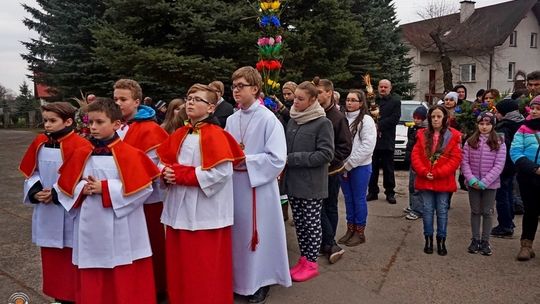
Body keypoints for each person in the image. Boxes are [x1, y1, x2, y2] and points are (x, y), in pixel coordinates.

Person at [53, 98, 160, 303]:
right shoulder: (81, 153)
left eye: (99, 122)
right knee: (92, 269)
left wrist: (105, 188)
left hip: (122, 224)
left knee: (123, 266)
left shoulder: (131, 154)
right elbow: (63, 186)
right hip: (89, 223)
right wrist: (81, 188)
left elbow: (144, 188)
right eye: (90, 122)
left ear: (117, 124)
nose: (93, 127)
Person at [157, 84, 244, 304]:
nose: (190, 102)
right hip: (178, 209)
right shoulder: (179, 133)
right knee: (179, 265)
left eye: (197, 99)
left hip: (206, 213)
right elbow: (162, 162)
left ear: (211, 108)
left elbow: (221, 173)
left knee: (203, 267)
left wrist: (180, 175)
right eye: (189, 98)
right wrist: (164, 172)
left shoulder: (218, 135)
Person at [224, 66, 291, 303]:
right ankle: (239, 281)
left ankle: (260, 281)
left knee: (258, 235)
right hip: (234, 186)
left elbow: (277, 158)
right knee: (237, 235)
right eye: (233, 86)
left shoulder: (268, 119)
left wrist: (246, 161)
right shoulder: (231, 120)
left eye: (241, 86)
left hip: (259, 188)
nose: (236, 90)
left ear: (255, 88)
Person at [19, 102, 91, 303]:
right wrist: (35, 191)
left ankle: (75, 296)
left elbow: (84, 177)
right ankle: (58, 295)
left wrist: (57, 193)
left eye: (53, 121)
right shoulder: (39, 142)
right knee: (51, 258)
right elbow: (31, 173)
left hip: (69, 211)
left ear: (68, 121)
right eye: (46, 120)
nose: (47, 125)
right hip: (46, 211)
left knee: (72, 258)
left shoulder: (81, 145)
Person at [114, 79, 169, 300]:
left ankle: (158, 287)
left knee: (151, 244)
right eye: (115, 98)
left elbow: (155, 167)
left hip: (147, 200)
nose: (118, 103)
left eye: (123, 99)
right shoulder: (115, 126)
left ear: (137, 101)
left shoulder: (150, 129)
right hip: (119, 195)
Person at [284, 80, 334, 281]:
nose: (295, 101)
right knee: (301, 224)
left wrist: (293, 159)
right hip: (294, 183)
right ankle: (304, 258)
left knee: (312, 224)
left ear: (313, 100)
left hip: (311, 184)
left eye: (300, 98)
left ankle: (312, 263)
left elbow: (326, 154)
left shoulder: (323, 122)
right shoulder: (293, 119)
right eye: (295, 97)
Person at [411, 105, 462, 256]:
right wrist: (424, 171)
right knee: (427, 210)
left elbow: (455, 159)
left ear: (445, 118)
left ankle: (441, 239)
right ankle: (428, 239)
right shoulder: (422, 134)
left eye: (439, 116)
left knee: (442, 211)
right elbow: (416, 156)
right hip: (425, 179)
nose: (435, 119)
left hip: (443, 180)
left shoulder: (453, 136)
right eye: (433, 117)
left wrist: (438, 172)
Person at [313, 77, 352, 264]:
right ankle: (327, 242)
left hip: (331, 171)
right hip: (316, 170)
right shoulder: (316, 113)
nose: (317, 95)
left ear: (329, 92)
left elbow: (345, 147)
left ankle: (328, 242)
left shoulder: (337, 118)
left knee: (328, 207)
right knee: (319, 206)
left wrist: (328, 160)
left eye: (319, 92)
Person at [461, 111, 506, 256]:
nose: (484, 127)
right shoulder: (470, 141)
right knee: (475, 211)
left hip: (490, 184)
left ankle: (485, 241)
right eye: (481, 124)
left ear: (493, 125)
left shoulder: (499, 141)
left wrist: (485, 181)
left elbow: (499, 165)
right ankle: (475, 239)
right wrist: (471, 179)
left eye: (488, 124)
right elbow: (464, 162)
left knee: (487, 212)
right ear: (477, 125)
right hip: (473, 183)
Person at [337, 89, 376, 246]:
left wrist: (349, 164)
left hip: (360, 166)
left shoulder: (366, 120)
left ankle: (360, 232)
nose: (349, 103)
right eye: (347, 99)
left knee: (358, 199)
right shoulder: (342, 118)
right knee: (348, 199)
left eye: (353, 100)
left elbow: (367, 146)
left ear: (361, 103)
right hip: (343, 166)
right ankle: (350, 228)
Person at [510, 95, 540, 261]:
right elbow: (515, 152)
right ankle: (526, 246)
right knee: (531, 211)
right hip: (528, 176)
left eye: (538, 109)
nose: (534, 111)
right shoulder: (523, 128)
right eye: (533, 108)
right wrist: (534, 168)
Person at [491, 98, 524, 237]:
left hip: (504, 166)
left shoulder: (504, 127)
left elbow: (501, 148)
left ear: (504, 113)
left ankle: (505, 225)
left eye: (497, 112)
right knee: (509, 193)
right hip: (515, 165)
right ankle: (508, 221)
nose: (496, 115)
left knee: (502, 196)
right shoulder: (521, 122)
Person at [367, 79, 401, 204]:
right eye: (381, 86)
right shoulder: (373, 101)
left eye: (385, 87)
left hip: (387, 139)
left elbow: (395, 118)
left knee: (388, 168)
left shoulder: (395, 102)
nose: (383, 89)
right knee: (373, 167)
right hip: (373, 140)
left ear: (390, 88)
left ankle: (390, 192)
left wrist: (379, 126)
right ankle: (372, 191)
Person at [404, 106, 428, 221]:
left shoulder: (424, 130)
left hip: (419, 161)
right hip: (413, 160)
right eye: (415, 118)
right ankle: (413, 205)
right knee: (411, 185)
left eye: (419, 118)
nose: (416, 120)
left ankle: (418, 210)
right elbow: (410, 144)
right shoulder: (413, 128)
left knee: (417, 186)